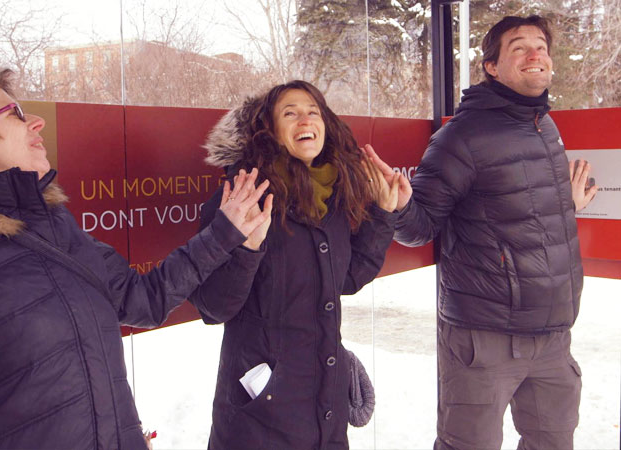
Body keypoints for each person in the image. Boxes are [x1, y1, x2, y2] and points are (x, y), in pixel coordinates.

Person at [0, 68, 273, 449]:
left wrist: (226, 232)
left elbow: (143, 301)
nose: (37, 123)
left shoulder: (55, 227)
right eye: (15, 113)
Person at [368, 15, 597, 450]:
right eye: (519, 47)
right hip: (485, 337)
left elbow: (514, 213)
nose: (535, 54)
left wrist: (566, 204)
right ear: (491, 66)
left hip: (552, 337)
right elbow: (421, 227)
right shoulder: (461, 137)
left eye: (541, 47)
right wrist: (398, 207)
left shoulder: (544, 126)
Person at [190, 80, 401, 449]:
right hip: (261, 417)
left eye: (313, 111)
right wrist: (247, 249)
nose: (305, 119)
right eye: (290, 113)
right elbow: (213, 306)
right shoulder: (242, 197)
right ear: (268, 131)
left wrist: (382, 215)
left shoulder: (334, 194)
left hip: (326, 411)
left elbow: (346, 279)